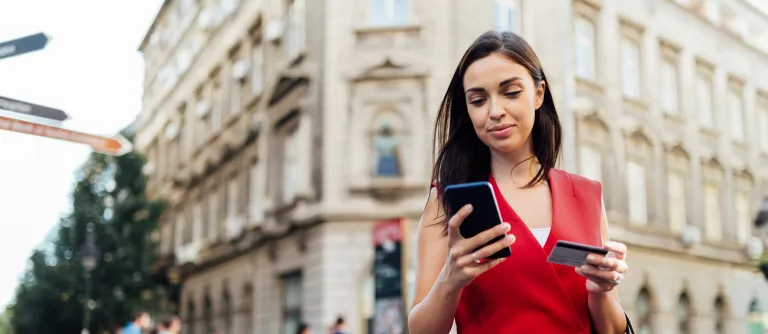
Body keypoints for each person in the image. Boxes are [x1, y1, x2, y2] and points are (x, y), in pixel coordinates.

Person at [407, 30, 631, 334]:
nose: (495, 111)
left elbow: (613, 329)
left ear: (538, 94)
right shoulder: (446, 200)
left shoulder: (586, 195)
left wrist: (601, 290)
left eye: (511, 93)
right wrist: (452, 277)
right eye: (478, 100)